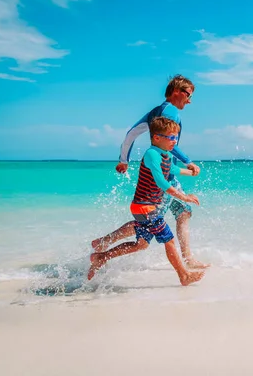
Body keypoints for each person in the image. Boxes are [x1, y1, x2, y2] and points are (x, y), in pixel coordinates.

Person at [91, 75, 209, 269]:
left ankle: (188, 258)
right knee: (146, 228)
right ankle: (105, 243)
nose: (189, 100)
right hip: (162, 180)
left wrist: (123, 160)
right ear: (176, 92)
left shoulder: (157, 111)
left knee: (184, 213)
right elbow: (170, 146)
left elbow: (131, 133)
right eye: (188, 95)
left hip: (167, 174)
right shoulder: (169, 112)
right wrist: (188, 162)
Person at [87, 116, 205, 285]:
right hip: (145, 208)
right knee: (169, 240)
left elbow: (172, 169)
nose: (175, 141)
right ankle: (183, 276)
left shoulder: (165, 155)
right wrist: (185, 197)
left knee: (141, 244)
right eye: (171, 137)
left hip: (145, 209)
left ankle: (101, 257)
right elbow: (162, 183)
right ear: (157, 138)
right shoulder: (152, 154)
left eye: (176, 137)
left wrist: (190, 171)